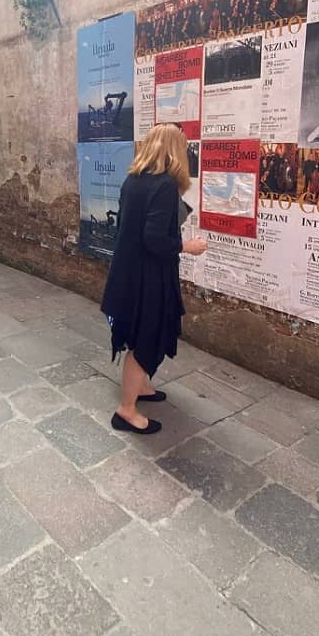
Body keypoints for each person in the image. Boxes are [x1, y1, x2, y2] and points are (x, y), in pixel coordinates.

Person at [100, 123, 208, 435]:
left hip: (128, 274)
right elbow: (154, 239)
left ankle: (142, 387)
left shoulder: (133, 180)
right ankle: (127, 410)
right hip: (148, 279)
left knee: (138, 335)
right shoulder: (163, 185)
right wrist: (188, 246)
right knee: (146, 340)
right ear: (174, 150)